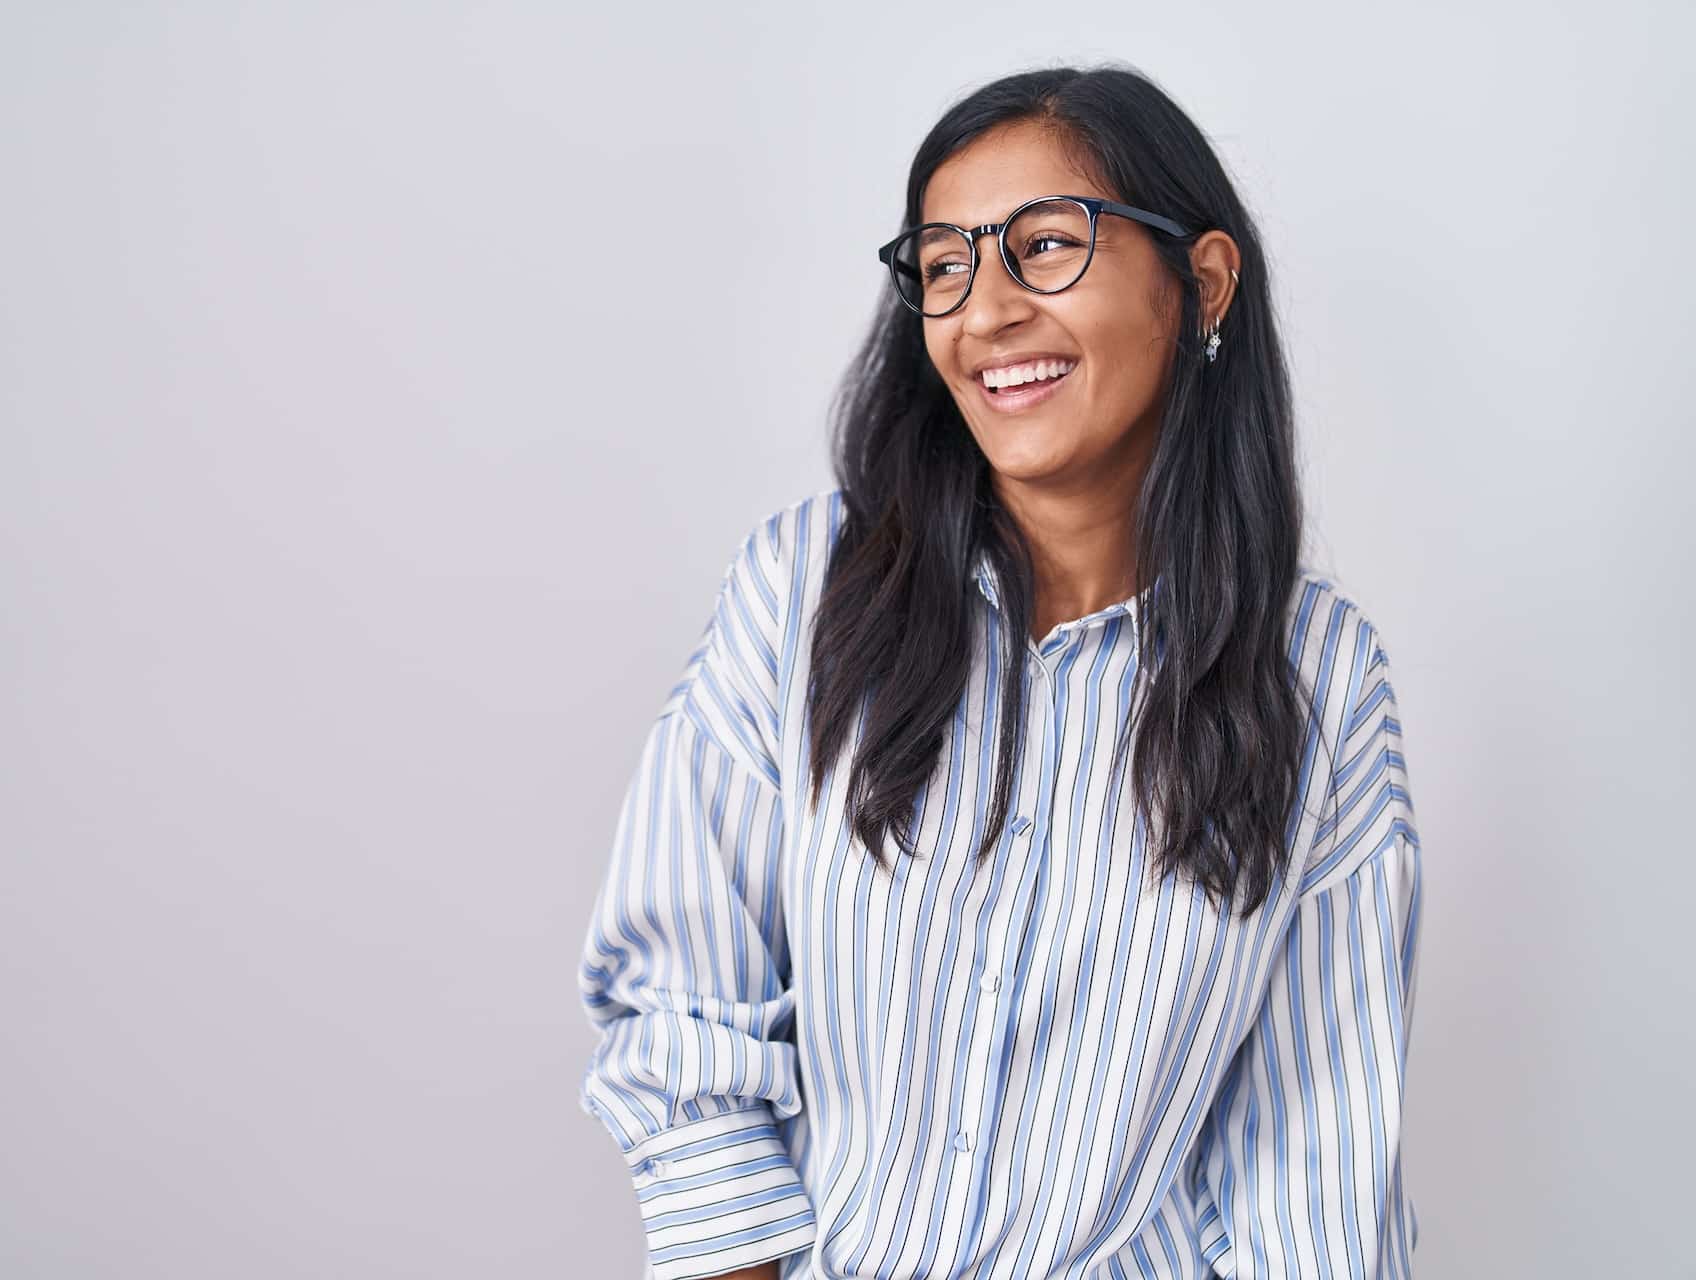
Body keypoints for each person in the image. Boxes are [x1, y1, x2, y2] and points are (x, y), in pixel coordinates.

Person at [575, 63, 1422, 1280]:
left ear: (1201, 284)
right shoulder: (805, 593)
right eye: (944, 266)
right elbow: (684, 1012)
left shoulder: (1318, 676)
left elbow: (1317, 1165)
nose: (984, 313)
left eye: (1043, 246)